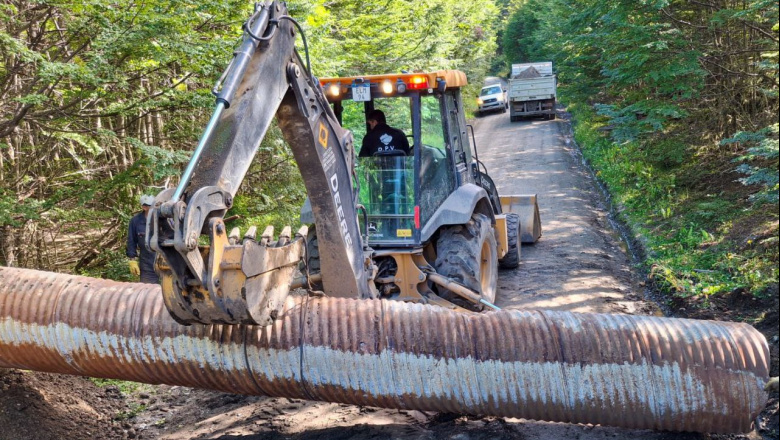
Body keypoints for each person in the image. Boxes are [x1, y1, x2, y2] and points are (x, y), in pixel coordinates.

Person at [126, 194, 159, 284]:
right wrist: (132, 260)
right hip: (147, 262)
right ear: (143, 206)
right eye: (146, 205)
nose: (146, 207)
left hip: (164, 259)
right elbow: (131, 241)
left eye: (149, 205)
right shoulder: (135, 221)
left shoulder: (162, 219)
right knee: (148, 290)